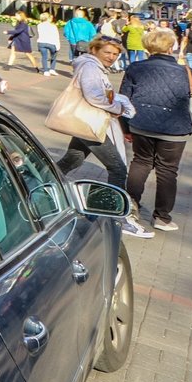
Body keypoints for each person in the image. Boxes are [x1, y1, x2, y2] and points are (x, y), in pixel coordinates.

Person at [121, 27, 192, 233]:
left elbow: (123, 100)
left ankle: (130, 208)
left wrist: (125, 128)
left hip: (141, 124)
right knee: (168, 171)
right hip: (174, 129)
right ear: (171, 47)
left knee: (140, 163)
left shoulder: (135, 68)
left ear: (147, 47)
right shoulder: (186, 72)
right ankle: (161, 217)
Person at [54, 37, 150, 238]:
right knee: (117, 168)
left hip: (85, 122)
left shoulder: (95, 67)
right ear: (94, 50)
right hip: (88, 123)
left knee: (73, 159)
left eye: (115, 54)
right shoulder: (90, 67)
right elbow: (94, 96)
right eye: (107, 52)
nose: (111, 57)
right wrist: (118, 108)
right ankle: (115, 216)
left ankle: (36, 181)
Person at [35, 11, 62, 76]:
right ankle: (52, 69)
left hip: (41, 42)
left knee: (44, 57)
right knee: (53, 56)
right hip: (51, 42)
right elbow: (56, 36)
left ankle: (46, 71)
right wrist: (58, 46)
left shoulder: (39, 25)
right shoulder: (53, 26)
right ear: (48, 18)